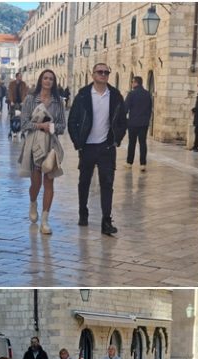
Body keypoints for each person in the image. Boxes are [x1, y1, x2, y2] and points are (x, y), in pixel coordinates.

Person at [68, 63, 127, 235]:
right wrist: (77, 142)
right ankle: (83, 211)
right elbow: (73, 121)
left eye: (106, 72)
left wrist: (117, 139)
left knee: (107, 184)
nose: (103, 75)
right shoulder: (83, 95)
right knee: (84, 181)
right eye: (100, 72)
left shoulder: (115, 95)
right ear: (92, 74)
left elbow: (122, 121)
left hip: (107, 147)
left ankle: (106, 221)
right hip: (87, 146)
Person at [19, 69, 67, 235]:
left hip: (51, 145)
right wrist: (40, 126)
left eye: (51, 79)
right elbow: (24, 124)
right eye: (45, 78)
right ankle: (33, 202)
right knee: (36, 183)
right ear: (41, 80)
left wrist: (52, 127)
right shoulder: (31, 100)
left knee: (49, 181)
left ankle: (45, 221)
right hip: (34, 145)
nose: (48, 81)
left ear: (54, 83)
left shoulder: (58, 102)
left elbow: (62, 126)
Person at [125, 76, 152, 171]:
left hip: (133, 123)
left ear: (136, 83)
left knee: (132, 143)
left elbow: (125, 108)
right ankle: (143, 164)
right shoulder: (147, 94)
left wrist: (124, 120)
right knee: (143, 143)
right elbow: (150, 109)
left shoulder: (131, 94)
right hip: (144, 123)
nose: (132, 84)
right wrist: (147, 120)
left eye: (132, 82)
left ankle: (129, 163)